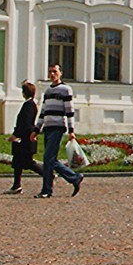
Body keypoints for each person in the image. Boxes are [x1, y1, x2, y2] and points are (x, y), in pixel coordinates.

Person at [35, 64, 83, 198]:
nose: (52, 74)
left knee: (47, 159)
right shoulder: (48, 91)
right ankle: (74, 178)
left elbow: (69, 111)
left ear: (60, 73)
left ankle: (47, 190)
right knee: (51, 160)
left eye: (54, 71)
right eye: (50, 72)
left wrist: (71, 130)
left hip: (58, 127)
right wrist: (36, 129)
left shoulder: (65, 90)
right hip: (48, 127)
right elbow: (43, 111)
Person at [7, 80, 42, 193]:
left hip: (25, 139)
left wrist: (16, 135)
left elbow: (25, 123)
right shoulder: (30, 104)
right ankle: (16, 185)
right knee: (17, 162)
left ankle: (48, 175)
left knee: (28, 162)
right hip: (24, 138)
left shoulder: (29, 105)